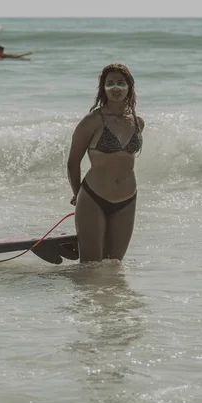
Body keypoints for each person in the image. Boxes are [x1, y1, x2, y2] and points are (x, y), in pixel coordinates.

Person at [67, 63, 145, 263]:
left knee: (114, 266)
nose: (116, 88)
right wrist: (78, 195)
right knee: (91, 267)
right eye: (110, 83)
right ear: (103, 88)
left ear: (129, 87)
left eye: (121, 83)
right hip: (93, 198)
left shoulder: (138, 122)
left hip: (127, 199)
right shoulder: (92, 121)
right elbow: (73, 162)